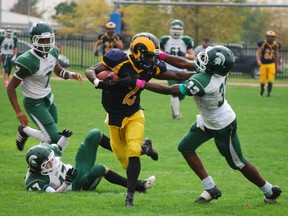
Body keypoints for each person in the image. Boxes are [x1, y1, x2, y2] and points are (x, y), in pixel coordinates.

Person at [129, 45, 282, 204]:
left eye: (207, 59)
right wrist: (160, 55)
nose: (202, 59)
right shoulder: (216, 71)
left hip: (221, 124)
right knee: (185, 147)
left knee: (238, 162)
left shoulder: (204, 80)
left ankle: (269, 191)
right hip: (208, 118)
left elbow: (171, 90)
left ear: (214, 66)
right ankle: (210, 188)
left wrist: (140, 83)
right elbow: (184, 64)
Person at [85, 32, 194, 207]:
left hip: (134, 114)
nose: (152, 59)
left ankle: (130, 196)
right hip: (114, 117)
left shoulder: (150, 67)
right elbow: (90, 70)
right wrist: (98, 83)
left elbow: (176, 76)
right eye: (149, 55)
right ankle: (147, 147)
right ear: (137, 52)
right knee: (123, 159)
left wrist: (200, 74)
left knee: (133, 150)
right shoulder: (118, 60)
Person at [7, 21, 82, 151]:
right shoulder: (27, 61)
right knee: (55, 139)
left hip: (48, 97)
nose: (47, 43)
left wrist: (70, 75)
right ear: (35, 40)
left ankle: (33, 144)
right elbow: (11, 87)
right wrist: (18, 112)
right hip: (34, 103)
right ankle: (27, 132)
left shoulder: (53, 51)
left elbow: (58, 69)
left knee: (49, 131)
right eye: (43, 40)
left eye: (49, 40)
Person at [25, 128, 156, 194]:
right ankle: (137, 186)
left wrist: (65, 137)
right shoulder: (35, 181)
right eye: (47, 163)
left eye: (51, 159)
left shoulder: (45, 152)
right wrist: (66, 183)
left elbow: (59, 148)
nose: (52, 162)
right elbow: (53, 195)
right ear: (37, 168)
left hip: (77, 170)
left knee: (95, 134)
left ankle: (135, 152)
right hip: (76, 185)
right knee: (99, 168)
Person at [159, 19, 195, 120]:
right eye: (174, 28)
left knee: (183, 92)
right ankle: (176, 115)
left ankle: (174, 105)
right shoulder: (165, 40)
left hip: (182, 69)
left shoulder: (186, 40)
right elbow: (159, 53)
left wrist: (185, 55)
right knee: (174, 91)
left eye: (178, 29)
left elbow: (193, 56)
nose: (176, 30)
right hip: (169, 69)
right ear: (170, 29)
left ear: (182, 30)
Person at [256, 31, 281, 97]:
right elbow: (258, 53)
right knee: (262, 79)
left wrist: (277, 65)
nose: (269, 38)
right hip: (263, 64)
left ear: (274, 38)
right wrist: (258, 61)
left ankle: (269, 93)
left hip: (271, 64)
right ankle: (262, 91)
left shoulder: (276, 45)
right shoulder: (263, 44)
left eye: (271, 37)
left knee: (271, 79)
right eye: (268, 37)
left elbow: (276, 55)